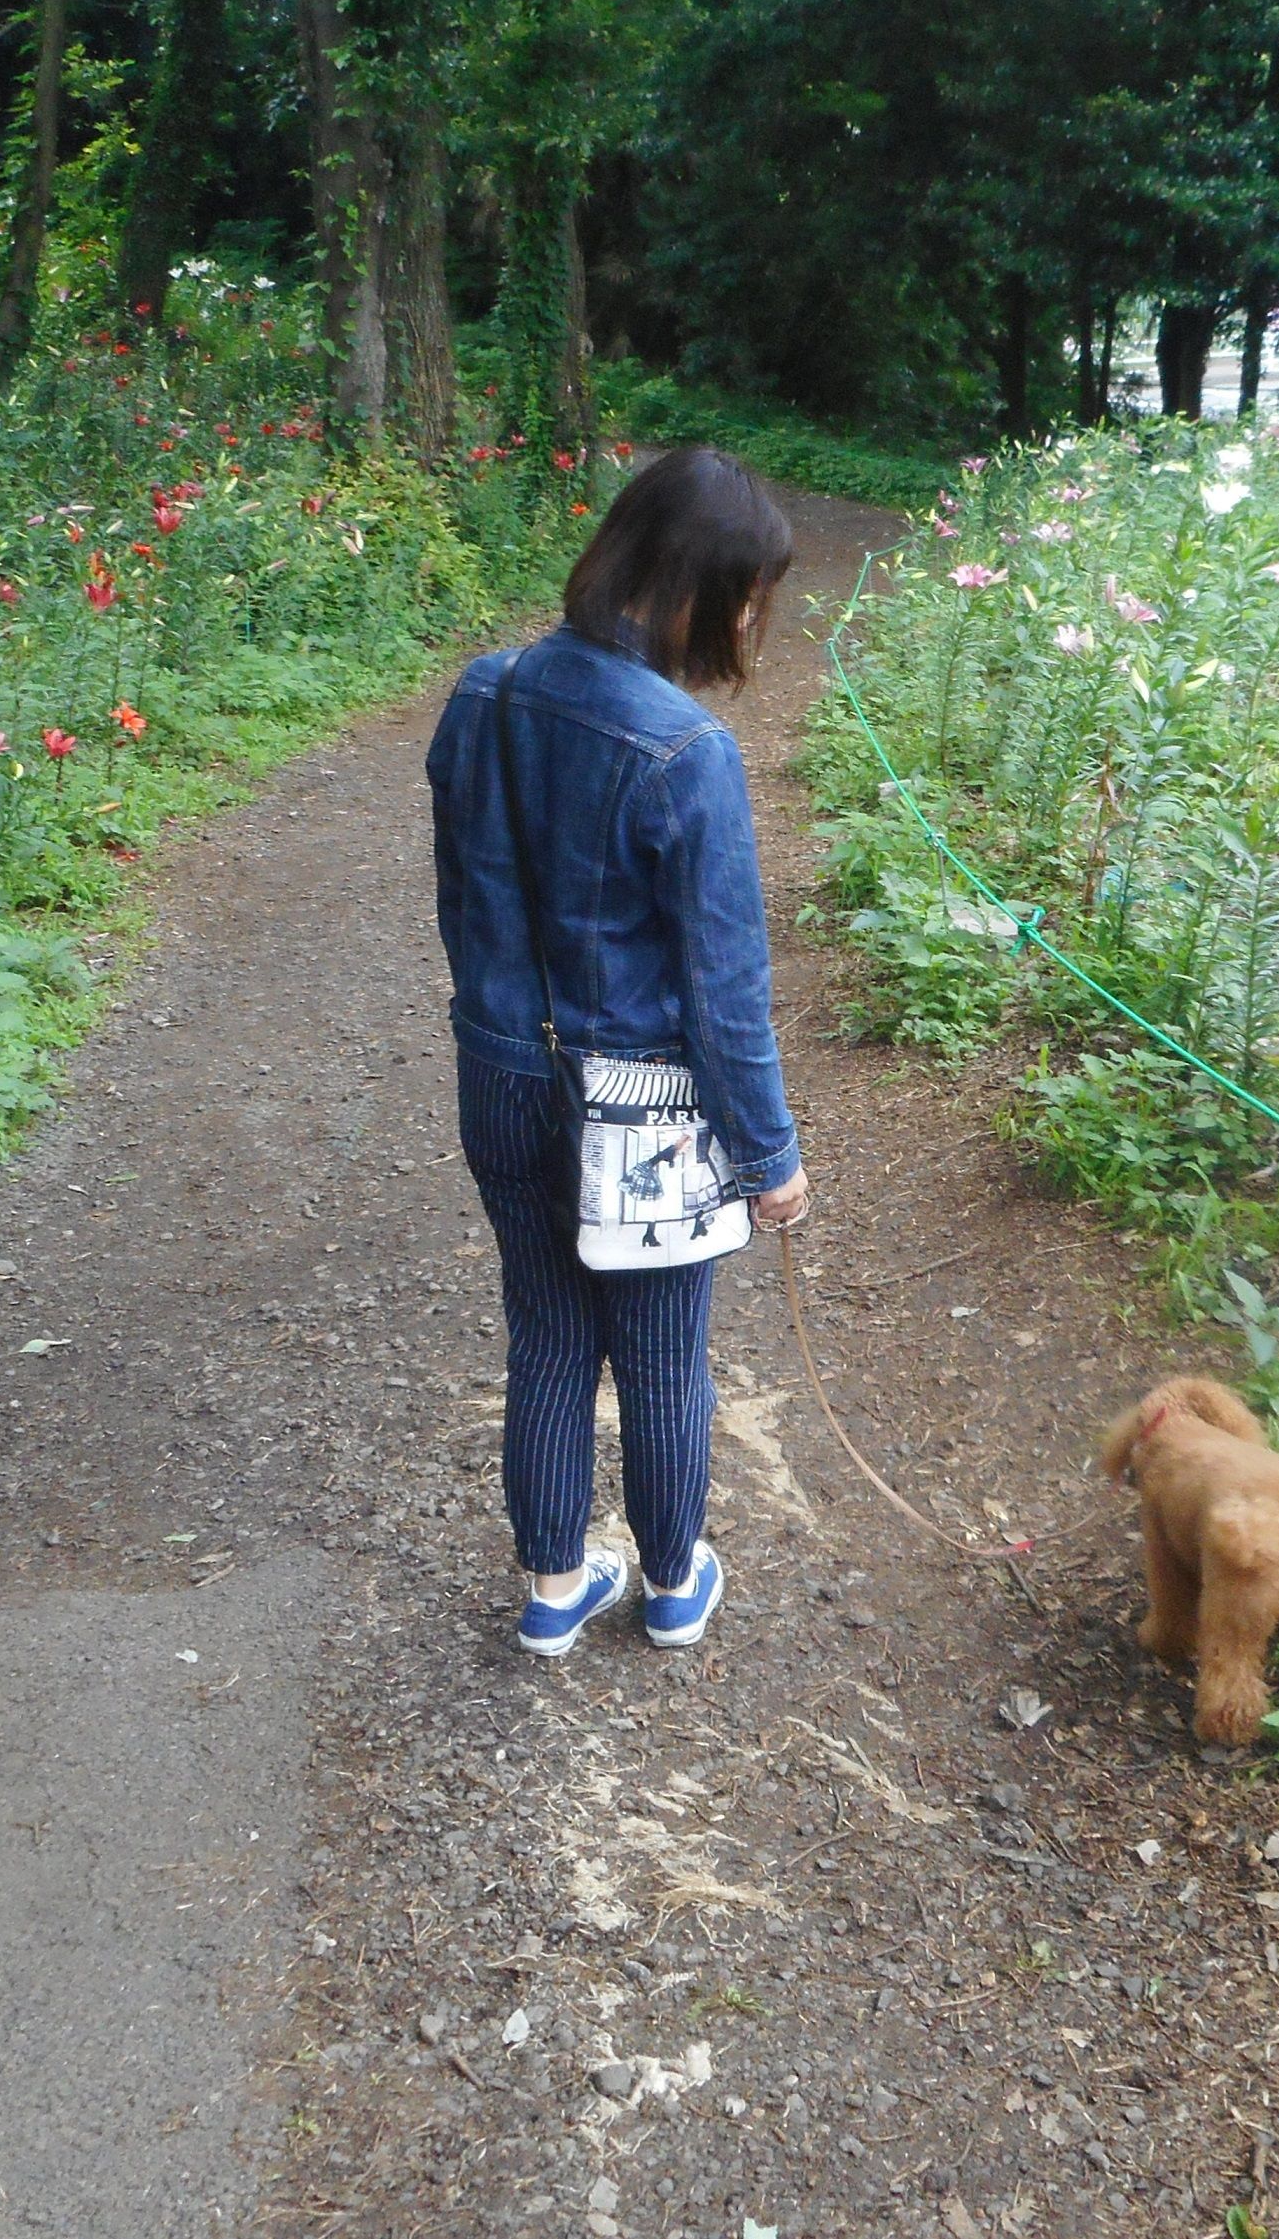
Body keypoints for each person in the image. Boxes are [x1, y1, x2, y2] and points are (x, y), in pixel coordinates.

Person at [428, 447, 814, 1658]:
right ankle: (670, 1580)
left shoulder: (482, 694)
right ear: (695, 583)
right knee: (657, 1354)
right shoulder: (684, 748)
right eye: (749, 593)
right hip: (640, 1099)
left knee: (545, 1334)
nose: (753, 618)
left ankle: (553, 1587)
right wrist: (770, 1154)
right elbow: (724, 988)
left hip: (500, 1069)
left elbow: (464, 900)